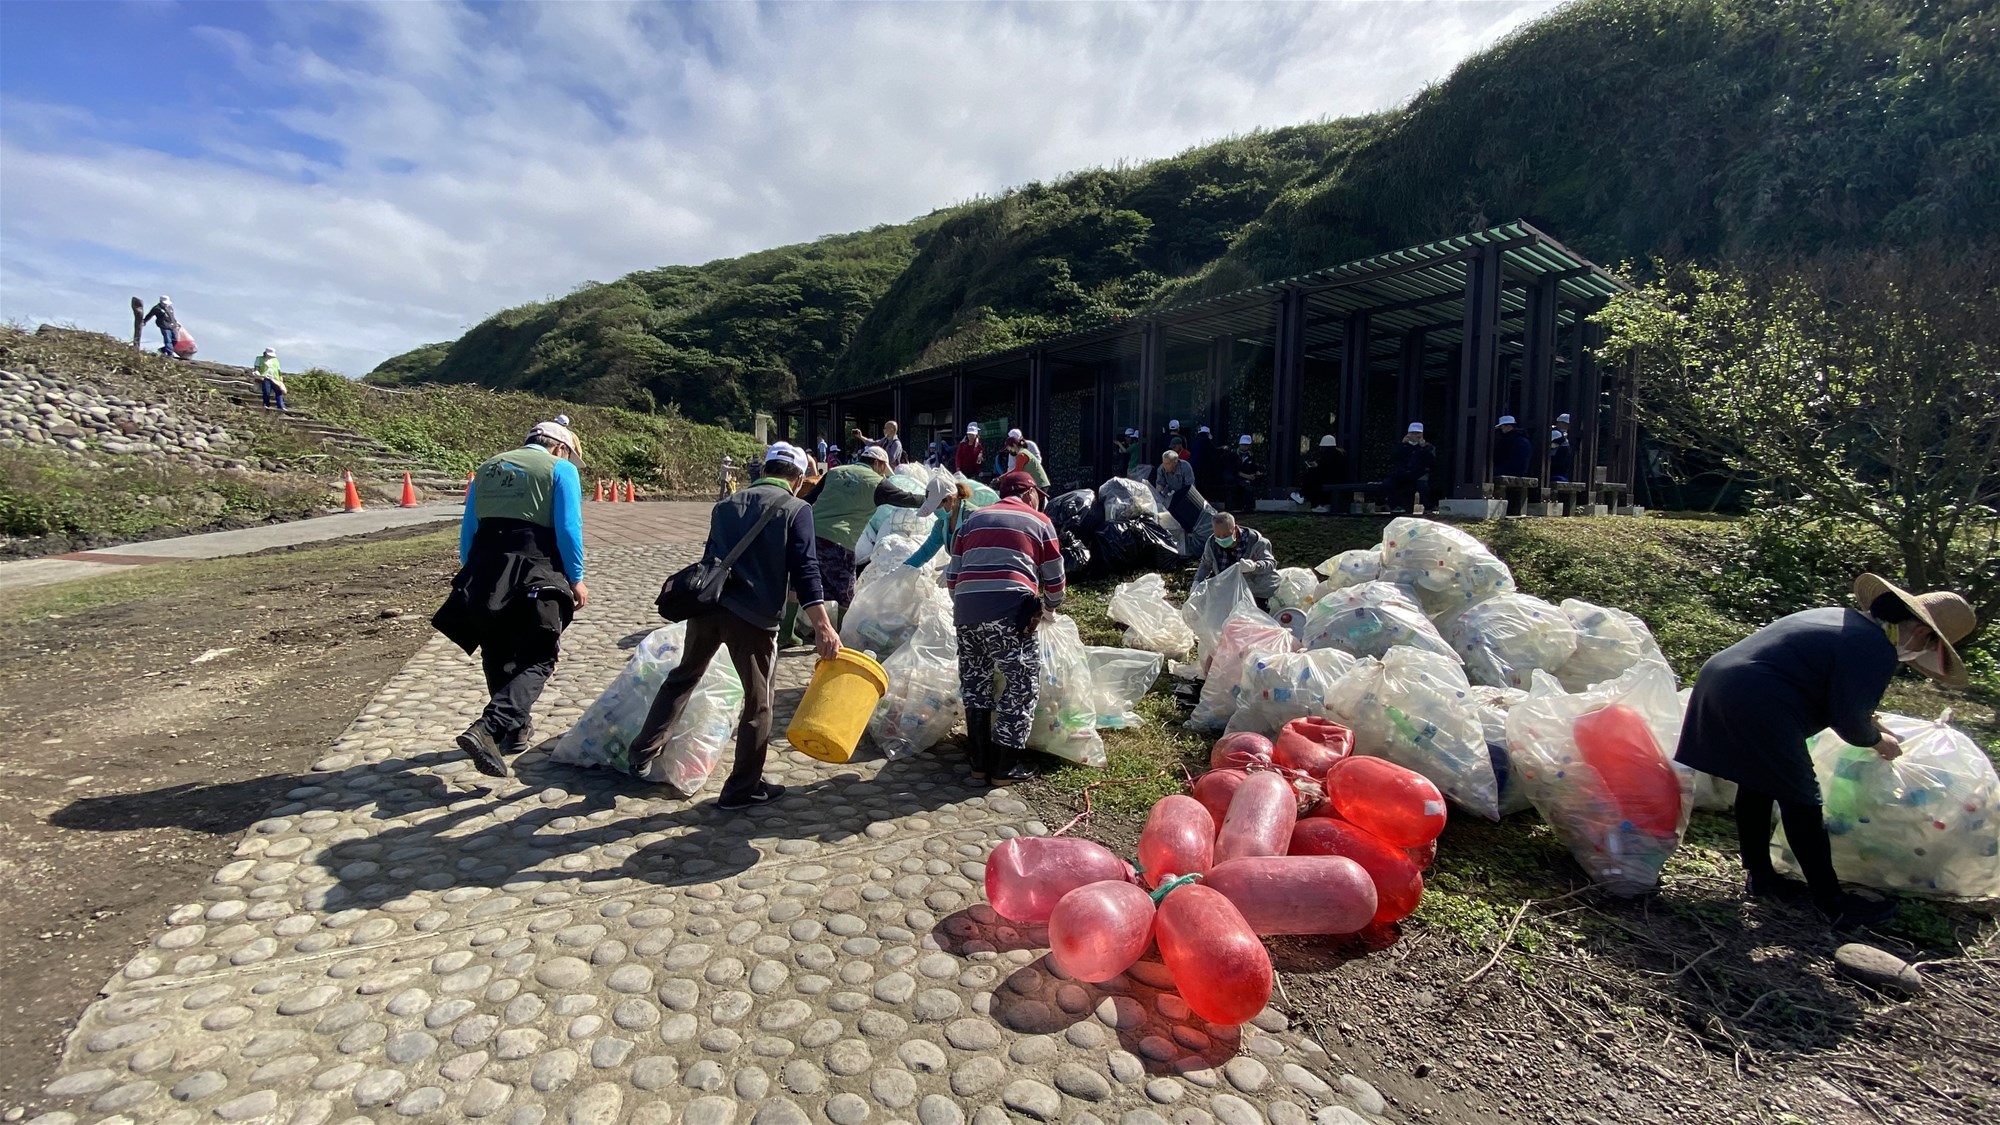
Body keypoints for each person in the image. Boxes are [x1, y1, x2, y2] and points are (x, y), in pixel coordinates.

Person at [1675, 574, 1977, 928]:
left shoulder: (1842, 619)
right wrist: (1877, 740)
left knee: (1757, 784)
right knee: (1801, 798)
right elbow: (1848, 716)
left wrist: (1869, 722)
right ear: (1923, 634)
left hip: (1721, 682)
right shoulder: (1874, 646)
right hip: (1761, 699)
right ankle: (1831, 901)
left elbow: (1828, 686)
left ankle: (1761, 875)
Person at [630, 443, 841, 809]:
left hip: (708, 609)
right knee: (759, 703)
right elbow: (806, 571)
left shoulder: (726, 505)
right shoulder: (797, 509)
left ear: (765, 469)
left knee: (683, 677)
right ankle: (742, 787)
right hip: (754, 619)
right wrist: (823, 625)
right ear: (795, 478)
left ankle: (641, 754)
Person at [432, 421, 589, 778]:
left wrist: (475, 573)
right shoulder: (559, 469)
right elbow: (568, 527)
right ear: (560, 448)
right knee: (539, 656)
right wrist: (576, 578)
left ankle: (514, 731)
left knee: (498, 651)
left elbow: (468, 529)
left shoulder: (488, 468)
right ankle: (489, 727)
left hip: (484, 568)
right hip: (535, 566)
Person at [946, 471, 1065, 786]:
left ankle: (979, 763)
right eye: (1038, 493)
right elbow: (1055, 579)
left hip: (966, 612)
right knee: (1021, 682)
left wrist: (967, 606)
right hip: (1009, 613)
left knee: (975, 682)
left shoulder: (971, 522)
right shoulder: (1039, 521)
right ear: (1029, 493)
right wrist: (1048, 609)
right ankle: (1005, 765)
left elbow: (952, 576)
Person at [802, 444, 925, 628]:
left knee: (802, 584)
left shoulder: (834, 472)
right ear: (878, 463)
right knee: (845, 591)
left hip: (809, 535)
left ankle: (789, 635)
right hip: (839, 541)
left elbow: (808, 501)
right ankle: (842, 635)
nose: (883, 472)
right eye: (883, 468)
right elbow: (908, 499)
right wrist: (935, 499)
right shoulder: (877, 483)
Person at [1192, 511, 1278, 608]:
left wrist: (1254, 567)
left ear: (1235, 530)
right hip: (1230, 592)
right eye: (1218, 536)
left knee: (1257, 619)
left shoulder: (1257, 542)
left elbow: (1271, 563)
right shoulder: (1212, 543)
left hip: (1258, 592)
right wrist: (1197, 582)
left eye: (1226, 536)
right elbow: (1206, 564)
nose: (1221, 539)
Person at [902, 477, 977, 569]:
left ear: (949, 499)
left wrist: (957, 568)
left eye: (936, 506)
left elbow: (980, 554)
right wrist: (904, 568)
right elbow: (926, 551)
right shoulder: (942, 524)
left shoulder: (973, 519)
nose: (935, 511)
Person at [1382, 423, 1435, 513]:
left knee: (1423, 484)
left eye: (1417, 433)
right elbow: (1393, 457)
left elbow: (1431, 461)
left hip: (1419, 474)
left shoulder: (1428, 447)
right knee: (1388, 483)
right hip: (1403, 473)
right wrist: (1402, 445)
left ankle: (1428, 507)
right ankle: (1395, 506)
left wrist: (1423, 448)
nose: (1415, 435)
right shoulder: (1402, 446)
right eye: (1412, 433)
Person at [1154, 448, 1207, 532]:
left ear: (1175, 462)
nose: (1165, 466)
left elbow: (1190, 486)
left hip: (1186, 494)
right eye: (1163, 462)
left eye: (1167, 463)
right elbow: (1160, 484)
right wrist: (1159, 491)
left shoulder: (1185, 466)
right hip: (1171, 494)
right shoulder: (1161, 468)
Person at [1293, 434, 1346, 511]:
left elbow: (1323, 469)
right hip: (1337, 479)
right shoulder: (1340, 454)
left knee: (1311, 476)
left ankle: (1302, 495)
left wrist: (1313, 467)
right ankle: (1304, 496)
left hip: (1328, 480)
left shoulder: (1328, 455)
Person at [1229, 434, 1263, 510]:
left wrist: (1257, 472)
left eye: (1247, 445)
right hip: (1235, 478)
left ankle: (1248, 508)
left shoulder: (1251, 455)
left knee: (1250, 488)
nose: (1245, 446)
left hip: (1248, 477)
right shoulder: (1233, 454)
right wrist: (1246, 476)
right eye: (1243, 444)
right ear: (1240, 444)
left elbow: (1254, 467)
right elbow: (1233, 470)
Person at [1191, 425, 1221, 495]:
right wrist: (1223, 449)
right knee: (1203, 484)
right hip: (1203, 467)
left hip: (1193, 466)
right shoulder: (1206, 440)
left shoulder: (1195, 441)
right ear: (1207, 433)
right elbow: (1214, 452)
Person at [1550, 414, 1576, 483]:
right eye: (1565, 424)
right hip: (1556, 469)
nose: (1567, 426)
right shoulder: (1556, 433)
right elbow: (1551, 446)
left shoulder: (1562, 434)